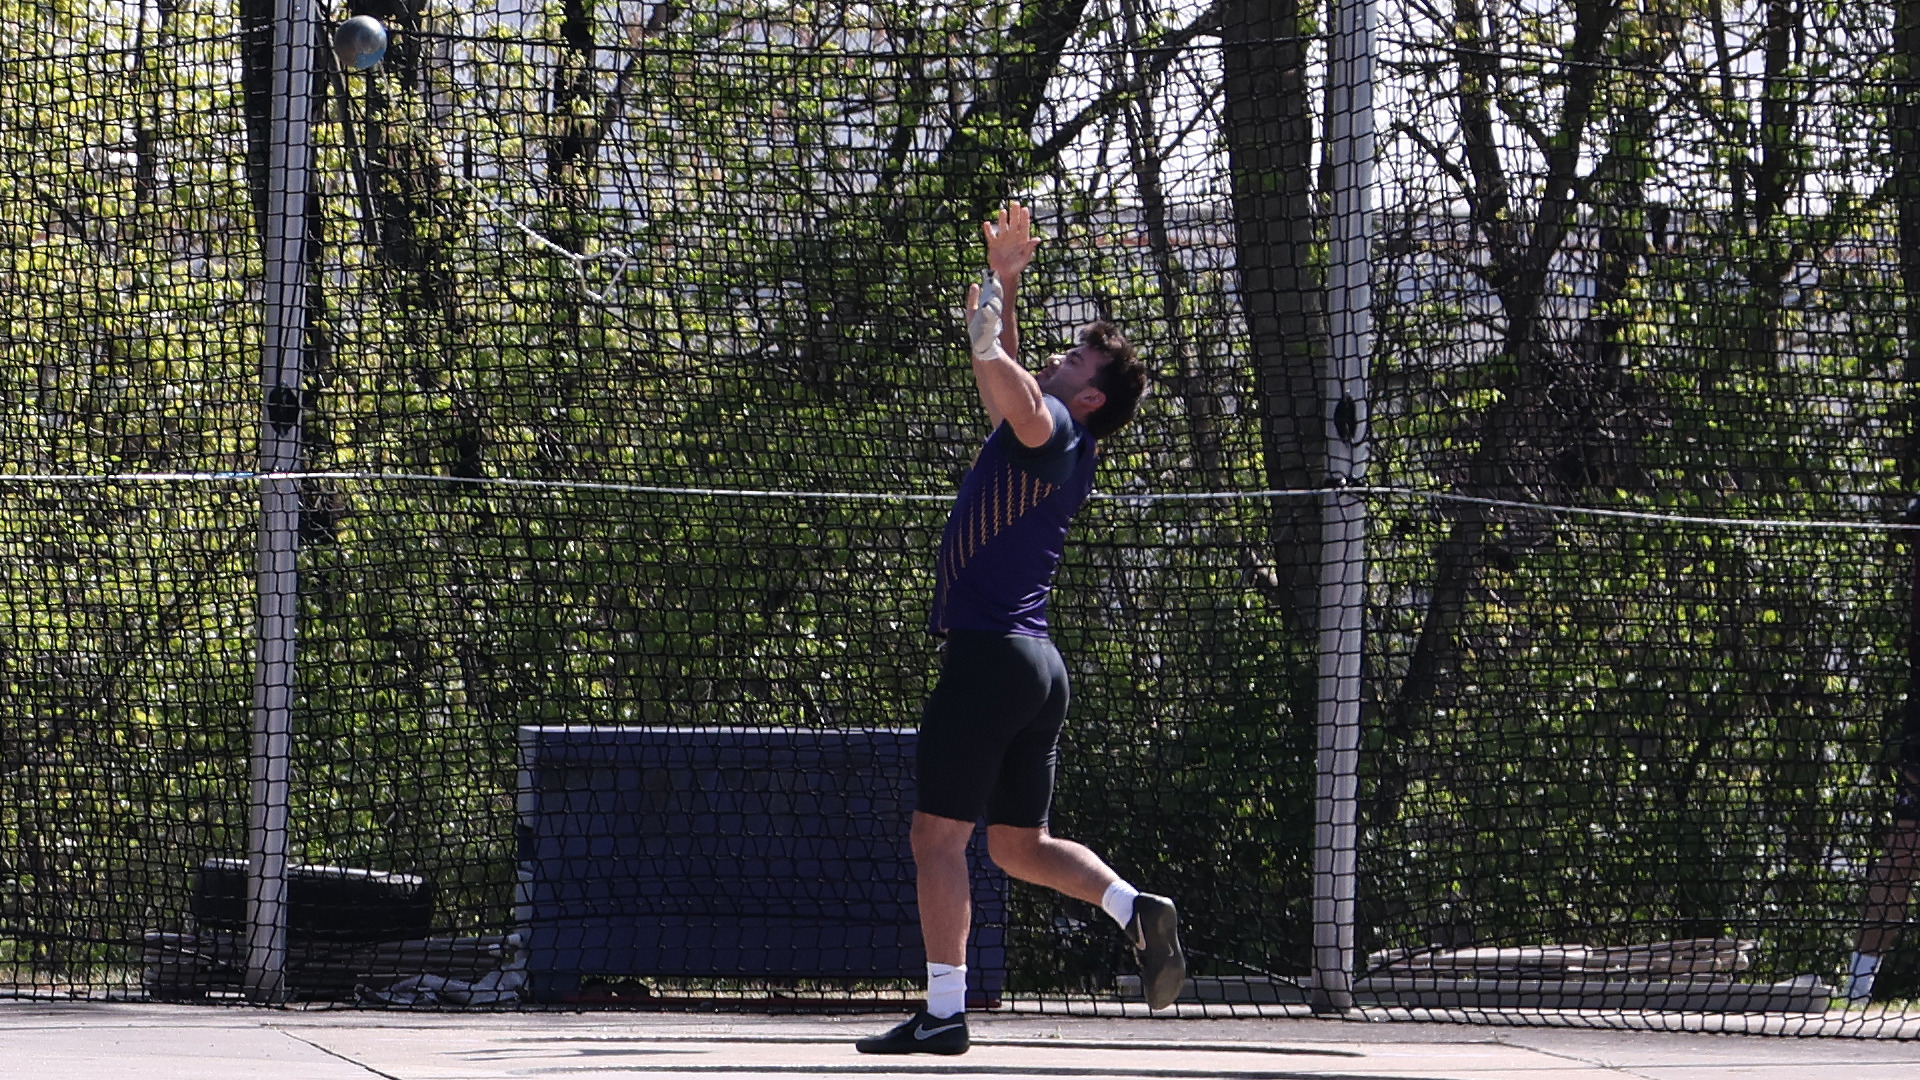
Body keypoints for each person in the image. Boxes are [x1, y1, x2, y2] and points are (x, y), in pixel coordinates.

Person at [856, 201, 1179, 1057]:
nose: (1058, 358)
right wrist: (1002, 285)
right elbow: (1009, 392)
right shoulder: (1063, 440)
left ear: (1091, 394)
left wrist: (989, 333)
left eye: (1075, 359)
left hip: (990, 661)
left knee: (936, 838)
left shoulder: (1056, 426)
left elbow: (1020, 396)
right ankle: (1132, 906)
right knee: (1016, 844)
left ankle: (943, 1014)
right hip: (1036, 667)